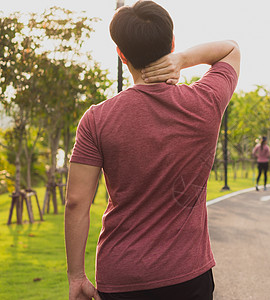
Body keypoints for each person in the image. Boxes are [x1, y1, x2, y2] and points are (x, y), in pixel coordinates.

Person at [65, 1, 240, 299]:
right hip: (189, 276)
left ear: (121, 54)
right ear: (171, 43)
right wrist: (182, 59)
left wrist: (76, 276)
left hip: (120, 277)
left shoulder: (97, 118)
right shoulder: (205, 102)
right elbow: (230, 49)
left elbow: (76, 203)